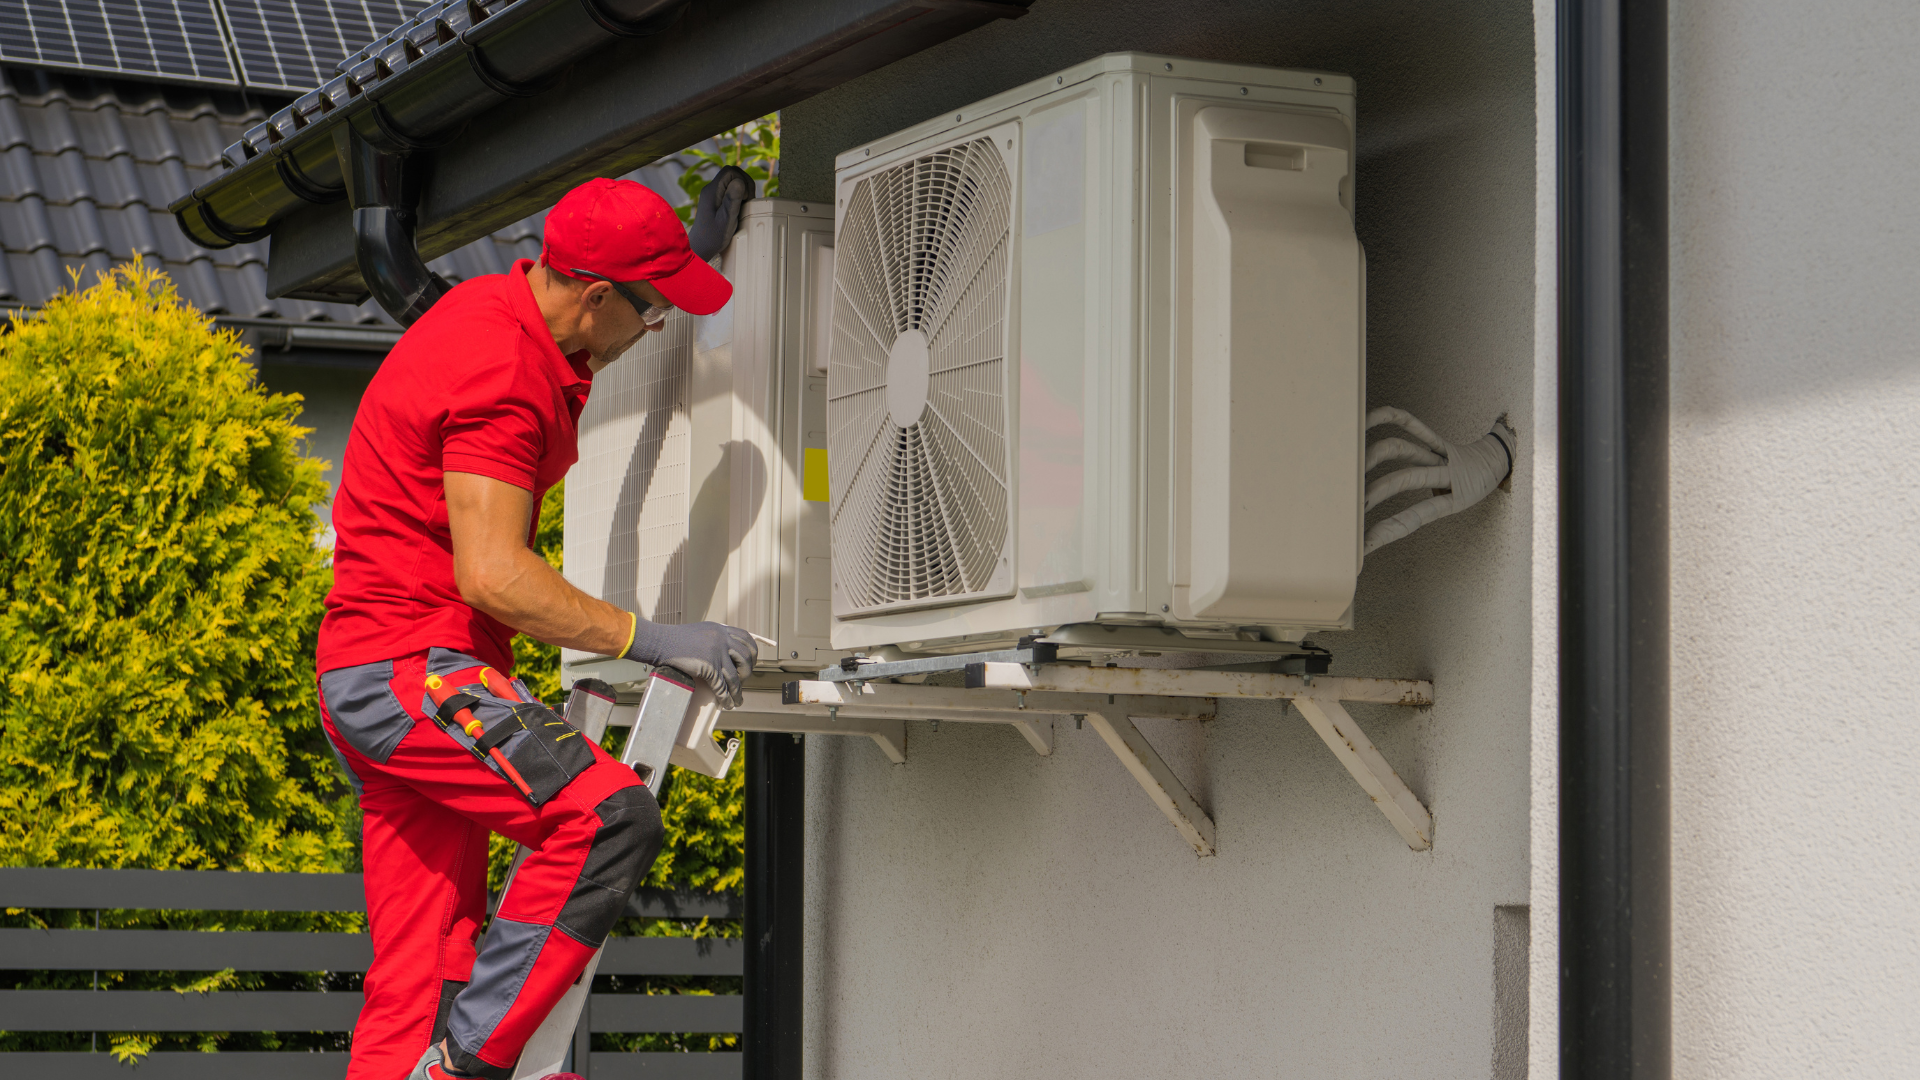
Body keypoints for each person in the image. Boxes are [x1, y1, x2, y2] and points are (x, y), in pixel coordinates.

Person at [315, 178, 758, 1080]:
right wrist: (651, 637)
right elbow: (495, 574)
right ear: (596, 296)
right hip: (415, 673)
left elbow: (603, 323)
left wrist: (688, 263)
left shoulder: (502, 314)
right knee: (606, 819)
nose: (656, 329)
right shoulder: (504, 376)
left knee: (427, 970)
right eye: (653, 310)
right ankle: (465, 1072)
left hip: (371, 674)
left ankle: (434, 1057)